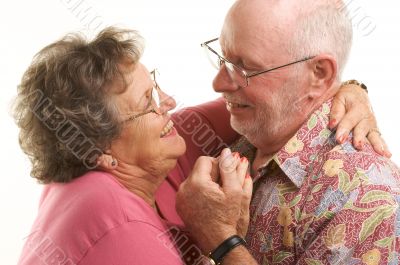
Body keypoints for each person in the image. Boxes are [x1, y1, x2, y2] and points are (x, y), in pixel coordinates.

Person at [14, 27, 385, 265]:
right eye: (148, 103)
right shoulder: (119, 230)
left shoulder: (163, 144)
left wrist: (350, 89)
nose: (169, 102)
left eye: (156, 86)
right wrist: (221, 239)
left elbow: (282, 99)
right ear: (102, 151)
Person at [176, 0, 400, 264]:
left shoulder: (363, 197)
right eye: (222, 58)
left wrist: (221, 240)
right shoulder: (255, 120)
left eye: (245, 67)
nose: (218, 83)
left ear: (319, 74)